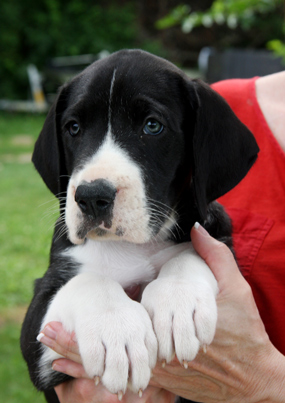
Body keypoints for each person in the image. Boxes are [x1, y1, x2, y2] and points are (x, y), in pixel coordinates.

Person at [37, 71, 285, 402]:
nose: (95, 178)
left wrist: (188, 271)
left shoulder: (200, 113)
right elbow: (39, 353)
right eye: (75, 128)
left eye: (152, 125)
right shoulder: (78, 248)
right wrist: (87, 295)